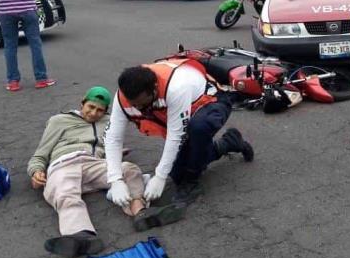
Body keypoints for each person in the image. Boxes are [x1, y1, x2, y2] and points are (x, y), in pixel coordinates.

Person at [28, 87, 175, 258]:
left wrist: (115, 153)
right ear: (82, 103)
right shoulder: (59, 120)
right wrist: (36, 171)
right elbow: (40, 153)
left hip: (94, 163)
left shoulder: (108, 122)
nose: (93, 113)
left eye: (99, 110)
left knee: (130, 169)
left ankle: (140, 212)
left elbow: (111, 144)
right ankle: (80, 235)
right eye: (90, 107)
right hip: (64, 163)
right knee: (64, 192)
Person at [105, 57, 254, 212]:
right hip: (186, 112)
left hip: (212, 101)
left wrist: (160, 176)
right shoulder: (124, 97)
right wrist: (115, 179)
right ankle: (229, 143)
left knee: (198, 129)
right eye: (134, 105)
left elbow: (176, 136)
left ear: (154, 88)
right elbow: (113, 137)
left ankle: (192, 182)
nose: (139, 108)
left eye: (142, 103)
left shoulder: (176, 88)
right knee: (177, 174)